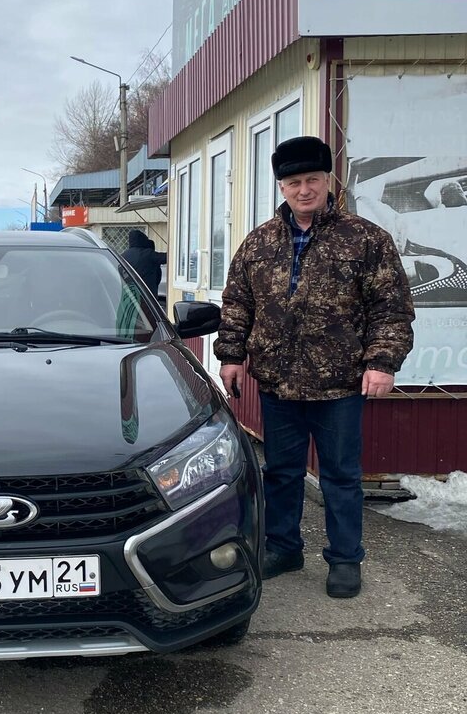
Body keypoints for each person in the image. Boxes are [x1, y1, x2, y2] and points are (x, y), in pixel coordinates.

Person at [214, 136, 414, 599]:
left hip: (339, 384)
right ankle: (284, 547)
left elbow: (390, 306)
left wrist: (382, 362)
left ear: (328, 181)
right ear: (281, 187)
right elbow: (238, 303)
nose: (303, 190)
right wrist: (231, 356)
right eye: (293, 182)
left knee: (340, 475)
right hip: (278, 383)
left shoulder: (366, 239)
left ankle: (344, 559)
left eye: (312, 180)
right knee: (281, 472)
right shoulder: (259, 242)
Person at [122, 230, 165, 298]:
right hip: (147, 296)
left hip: (129, 295)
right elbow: (166, 258)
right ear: (143, 240)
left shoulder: (123, 256)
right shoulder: (147, 254)